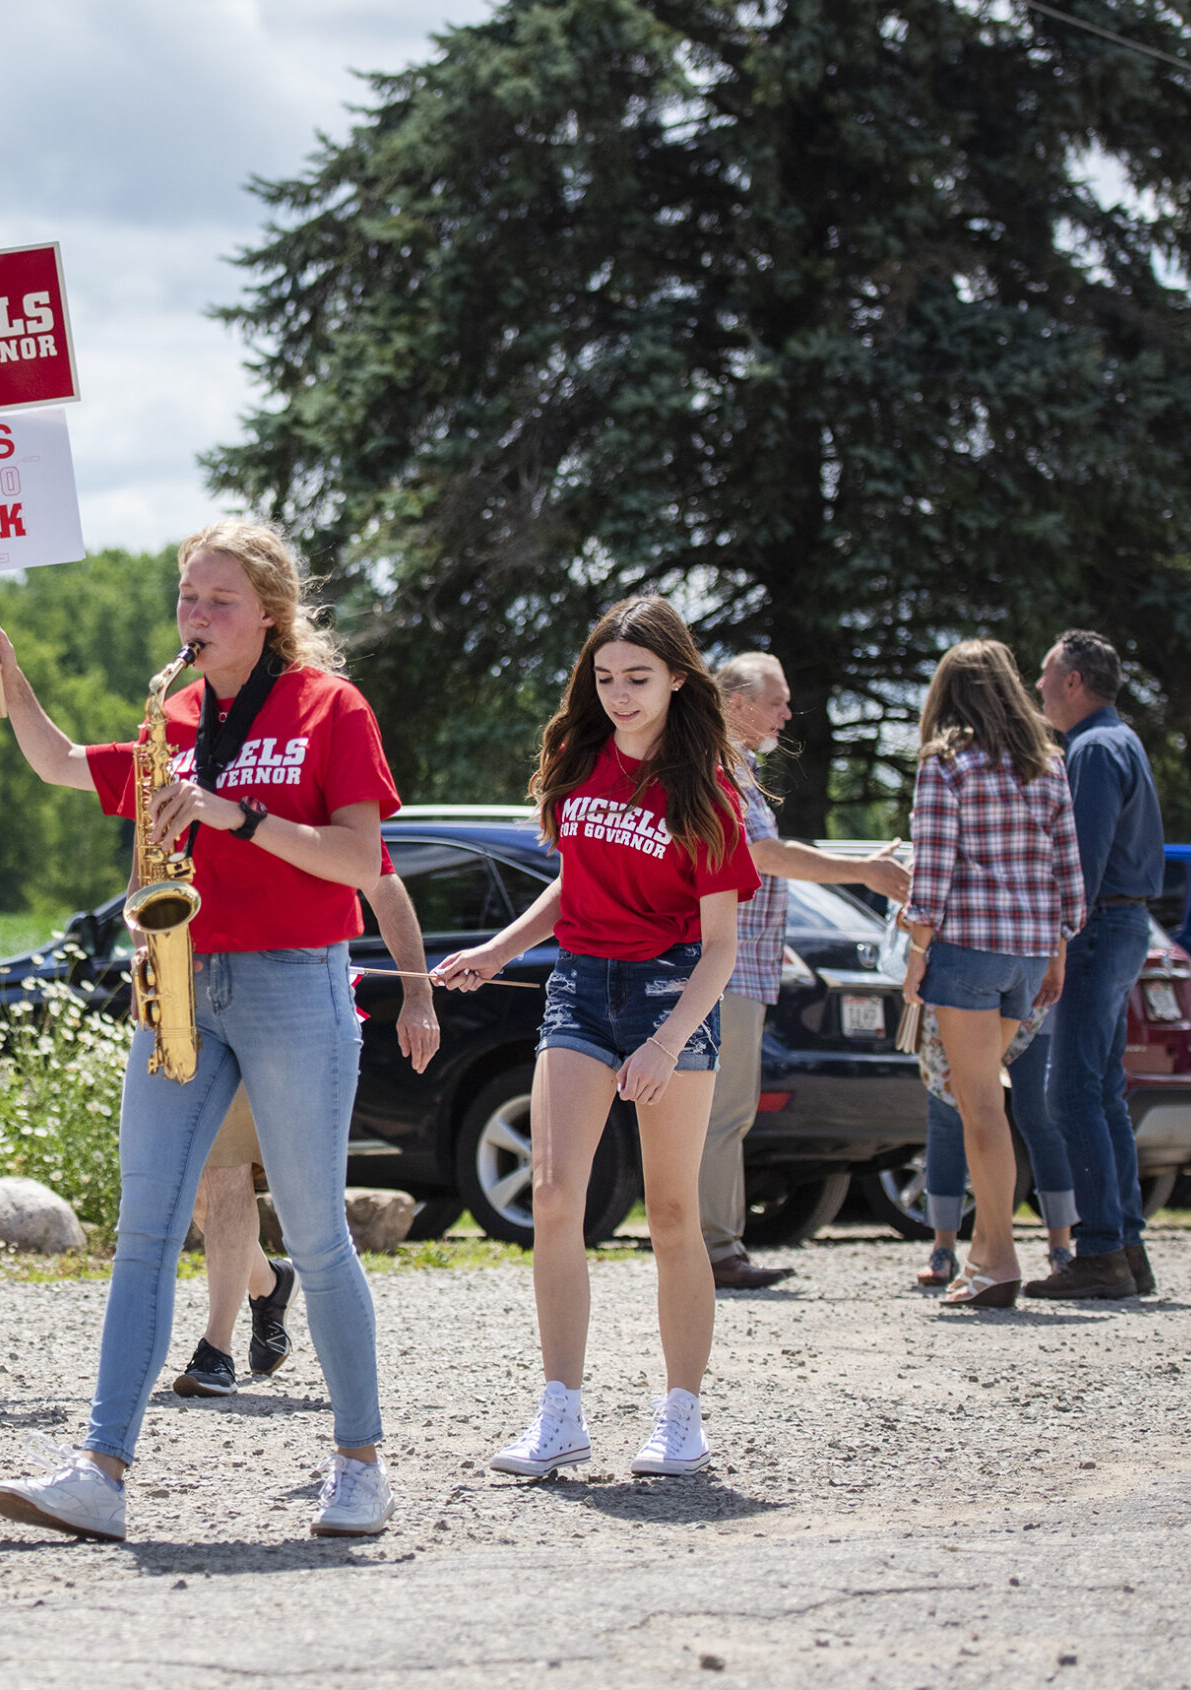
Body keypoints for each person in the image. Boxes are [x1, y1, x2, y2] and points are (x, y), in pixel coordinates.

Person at [0, 518, 403, 1541]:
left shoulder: (327, 708)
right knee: (143, 1236)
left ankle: (359, 1462)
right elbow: (60, 763)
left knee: (315, 1232)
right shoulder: (173, 713)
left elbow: (357, 859)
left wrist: (233, 817)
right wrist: (12, 678)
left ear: (269, 613)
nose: (195, 617)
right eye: (185, 599)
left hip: (294, 981)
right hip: (182, 983)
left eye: (216, 601)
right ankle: (101, 1470)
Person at [437, 595, 759, 1479]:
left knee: (670, 1213)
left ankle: (682, 1416)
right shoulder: (579, 762)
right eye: (606, 678)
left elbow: (723, 946)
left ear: (678, 678)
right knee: (550, 1196)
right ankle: (560, 1413)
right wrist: (499, 950)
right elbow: (572, 889)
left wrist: (664, 1044)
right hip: (577, 988)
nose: (619, 695)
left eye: (638, 679)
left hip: (671, 993)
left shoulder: (708, 789)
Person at [172, 870, 439, 1398]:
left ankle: (216, 1350)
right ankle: (269, 1285)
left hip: (293, 1005)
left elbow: (382, 881)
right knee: (201, 1192)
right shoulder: (195, 786)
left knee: (246, 1185)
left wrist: (418, 992)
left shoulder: (307, 794)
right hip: (203, 996)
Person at [704, 655, 910, 1290]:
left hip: (741, 967)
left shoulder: (736, 765)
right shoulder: (717, 767)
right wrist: (866, 873)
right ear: (735, 702)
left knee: (727, 1113)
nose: (787, 715)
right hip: (722, 968)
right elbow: (762, 855)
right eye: (777, 701)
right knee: (720, 1115)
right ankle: (714, 1252)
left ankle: (715, 1246)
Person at [898, 639, 1086, 1309]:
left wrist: (917, 955)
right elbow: (1069, 869)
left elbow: (933, 870)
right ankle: (987, 1252)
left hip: (969, 952)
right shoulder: (1049, 765)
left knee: (978, 1106)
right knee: (990, 1103)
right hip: (1030, 954)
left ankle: (996, 1261)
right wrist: (1058, 950)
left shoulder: (946, 764)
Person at [1026, 630, 1165, 1301]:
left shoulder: (1093, 750)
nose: (1039, 685)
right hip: (1123, 921)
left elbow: (1077, 855)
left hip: (1099, 924)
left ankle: (1102, 1250)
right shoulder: (1120, 741)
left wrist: (1054, 936)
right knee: (1101, 1088)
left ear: (1074, 681)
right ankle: (1126, 1245)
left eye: (1047, 674)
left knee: (1070, 1090)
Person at [916, 1008, 1075, 1285]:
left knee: (1038, 1117)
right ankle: (942, 1250)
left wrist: (1055, 969)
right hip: (959, 1000)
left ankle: (1060, 1249)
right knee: (947, 1120)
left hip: (1032, 999)